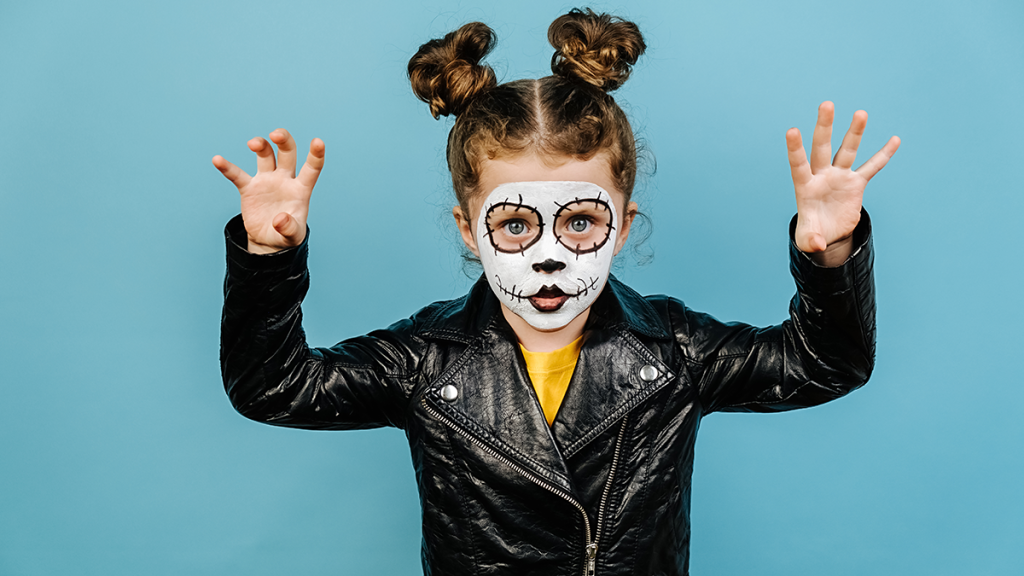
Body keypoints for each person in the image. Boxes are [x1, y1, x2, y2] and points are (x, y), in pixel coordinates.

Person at [212, 9, 899, 575]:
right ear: (469, 230)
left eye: (579, 221)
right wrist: (269, 258)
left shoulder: (675, 351)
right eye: (514, 224)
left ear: (623, 225)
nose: (546, 258)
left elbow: (827, 362)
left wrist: (830, 255)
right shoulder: (423, 360)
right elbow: (272, 386)